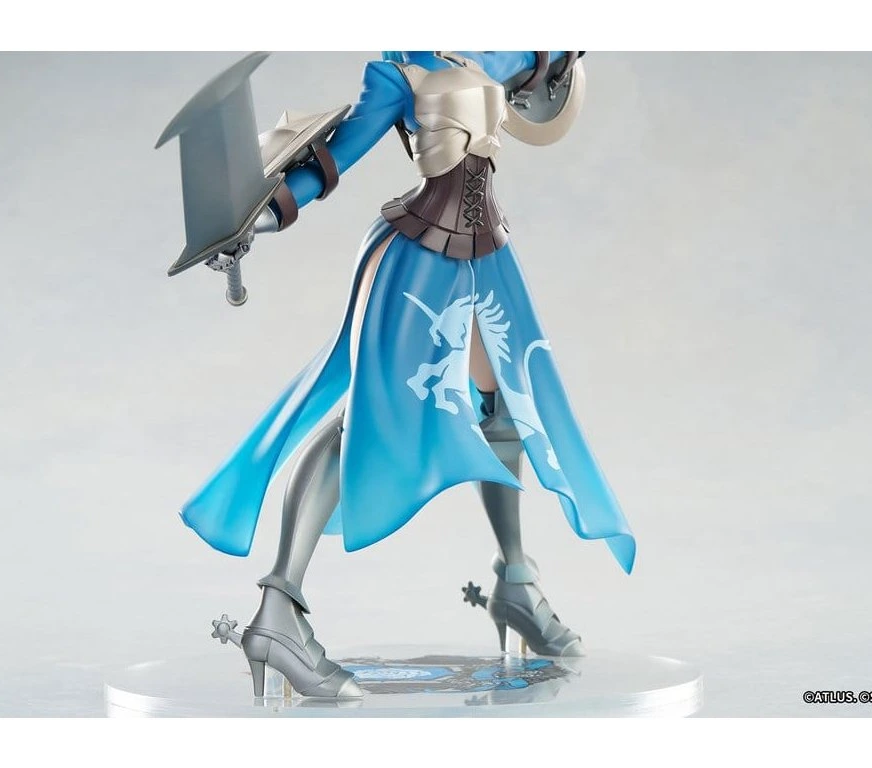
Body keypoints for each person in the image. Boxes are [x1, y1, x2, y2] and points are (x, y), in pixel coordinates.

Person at [177, 51, 636, 698]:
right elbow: (335, 158)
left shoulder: (485, 51)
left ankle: (515, 584)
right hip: (418, 258)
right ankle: (278, 612)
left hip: (487, 256)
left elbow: (541, 66)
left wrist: (557, 54)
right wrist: (260, 215)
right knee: (363, 419)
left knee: (505, 405)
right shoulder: (396, 74)